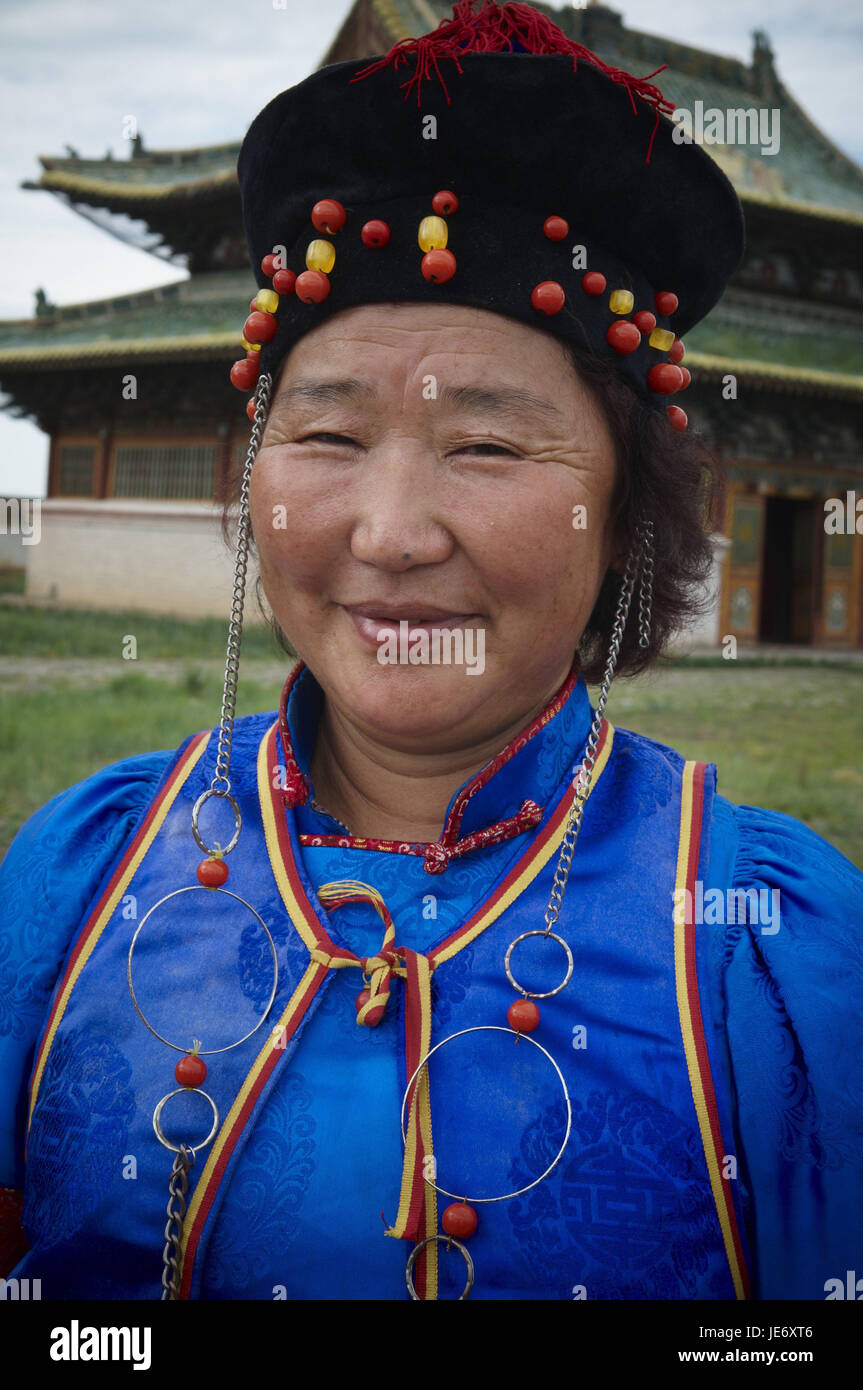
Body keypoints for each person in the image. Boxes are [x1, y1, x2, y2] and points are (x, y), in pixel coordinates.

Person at [1, 0, 860, 1302]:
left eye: (491, 446)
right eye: (329, 438)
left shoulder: (767, 954)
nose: (391, 534)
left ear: (624, 515)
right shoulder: (77, 879)